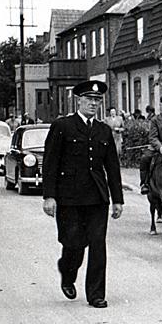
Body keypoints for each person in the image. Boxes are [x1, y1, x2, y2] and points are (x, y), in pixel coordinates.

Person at [42, 79, 123, 309]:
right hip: (69, 197)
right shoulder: (62, 126)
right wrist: (49, 196)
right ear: (78, 101)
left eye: (97, 101)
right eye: (89, 100)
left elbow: (112, 167)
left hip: (97, 198)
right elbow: (50, 163)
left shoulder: (103, 130)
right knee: (74, 244)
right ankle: (67, 273)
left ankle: (96, 294)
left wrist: (117, 199)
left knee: (98, 245)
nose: (93, 104)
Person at [139, 93, 162, 195]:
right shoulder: (155, 120)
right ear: (161, 105)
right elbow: (153, 137)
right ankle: (144, 183)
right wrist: (160, 147)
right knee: (145, 158)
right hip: (160, 146)